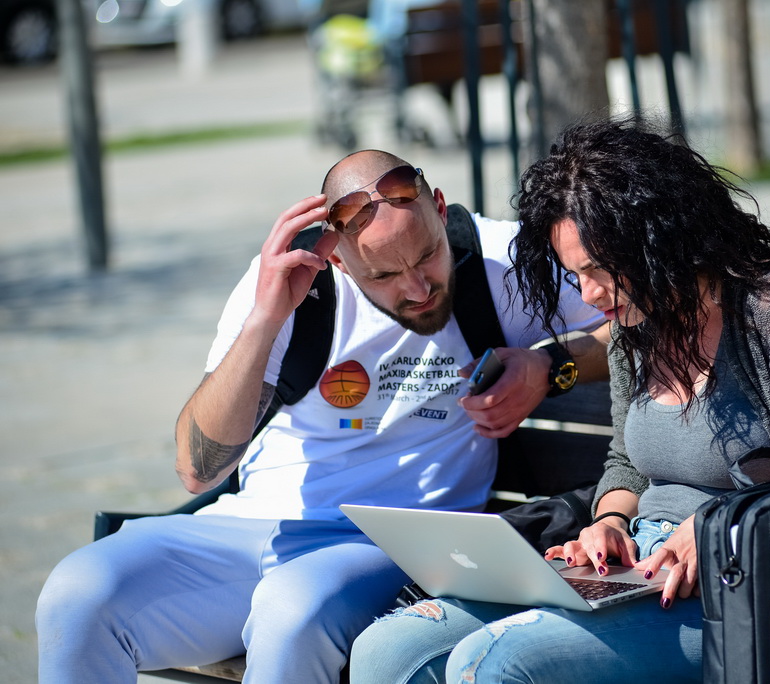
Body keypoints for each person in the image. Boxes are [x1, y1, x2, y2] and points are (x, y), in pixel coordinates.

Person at [348, 117, 770, 683]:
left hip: (745, 586)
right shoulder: (636, 328)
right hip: (638, 568)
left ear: (658, 238)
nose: (589, 295)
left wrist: (724, 526)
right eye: (575, 274)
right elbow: (627, 461)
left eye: (599, 270)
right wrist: (608, 522)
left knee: (496, 663)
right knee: (387, 650)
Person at [35, 150, 610, 684]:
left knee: (292, 610)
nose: (417, 288)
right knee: (78, 594)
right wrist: (266, 317)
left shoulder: (499, 261)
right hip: (253, 528)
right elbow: (196, 469)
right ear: (337, 256)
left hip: (401, 540)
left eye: (427, 256)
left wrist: (552, 366)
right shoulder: (291, 284)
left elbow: (640, 319)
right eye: (383, 276)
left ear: (439, 208)